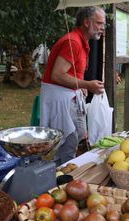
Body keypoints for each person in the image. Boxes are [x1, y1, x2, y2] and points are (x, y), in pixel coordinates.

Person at [40, 6, 105, 165]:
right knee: (68, 142)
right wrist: (86, 84)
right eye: (99, 23)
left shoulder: (80, 41)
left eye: (103, 24)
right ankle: (63, 179)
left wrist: (80, 84)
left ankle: (67, 173)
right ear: (86, 22)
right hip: (60, 98)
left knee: (76, 138)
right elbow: (57, 74)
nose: (102, 28)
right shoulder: (73, 41)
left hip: (68, 96)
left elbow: (72, 71)